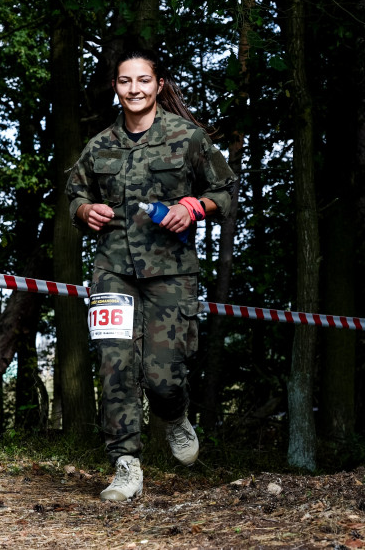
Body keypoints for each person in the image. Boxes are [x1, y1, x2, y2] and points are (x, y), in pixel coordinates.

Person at [66, 49, 236, 502]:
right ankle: (125, 465)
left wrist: (193, 206)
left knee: (164, 375)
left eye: (144, 80)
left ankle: (175, 416)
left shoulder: (188, 138)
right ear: (116, 87)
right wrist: (85, 210)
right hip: (112, 271)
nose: (135, 89)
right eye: (125, 81)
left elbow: (225, 191)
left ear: (159, 85)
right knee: (114, 365)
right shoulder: (99, 146)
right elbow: (74, 197)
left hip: (171, 272)